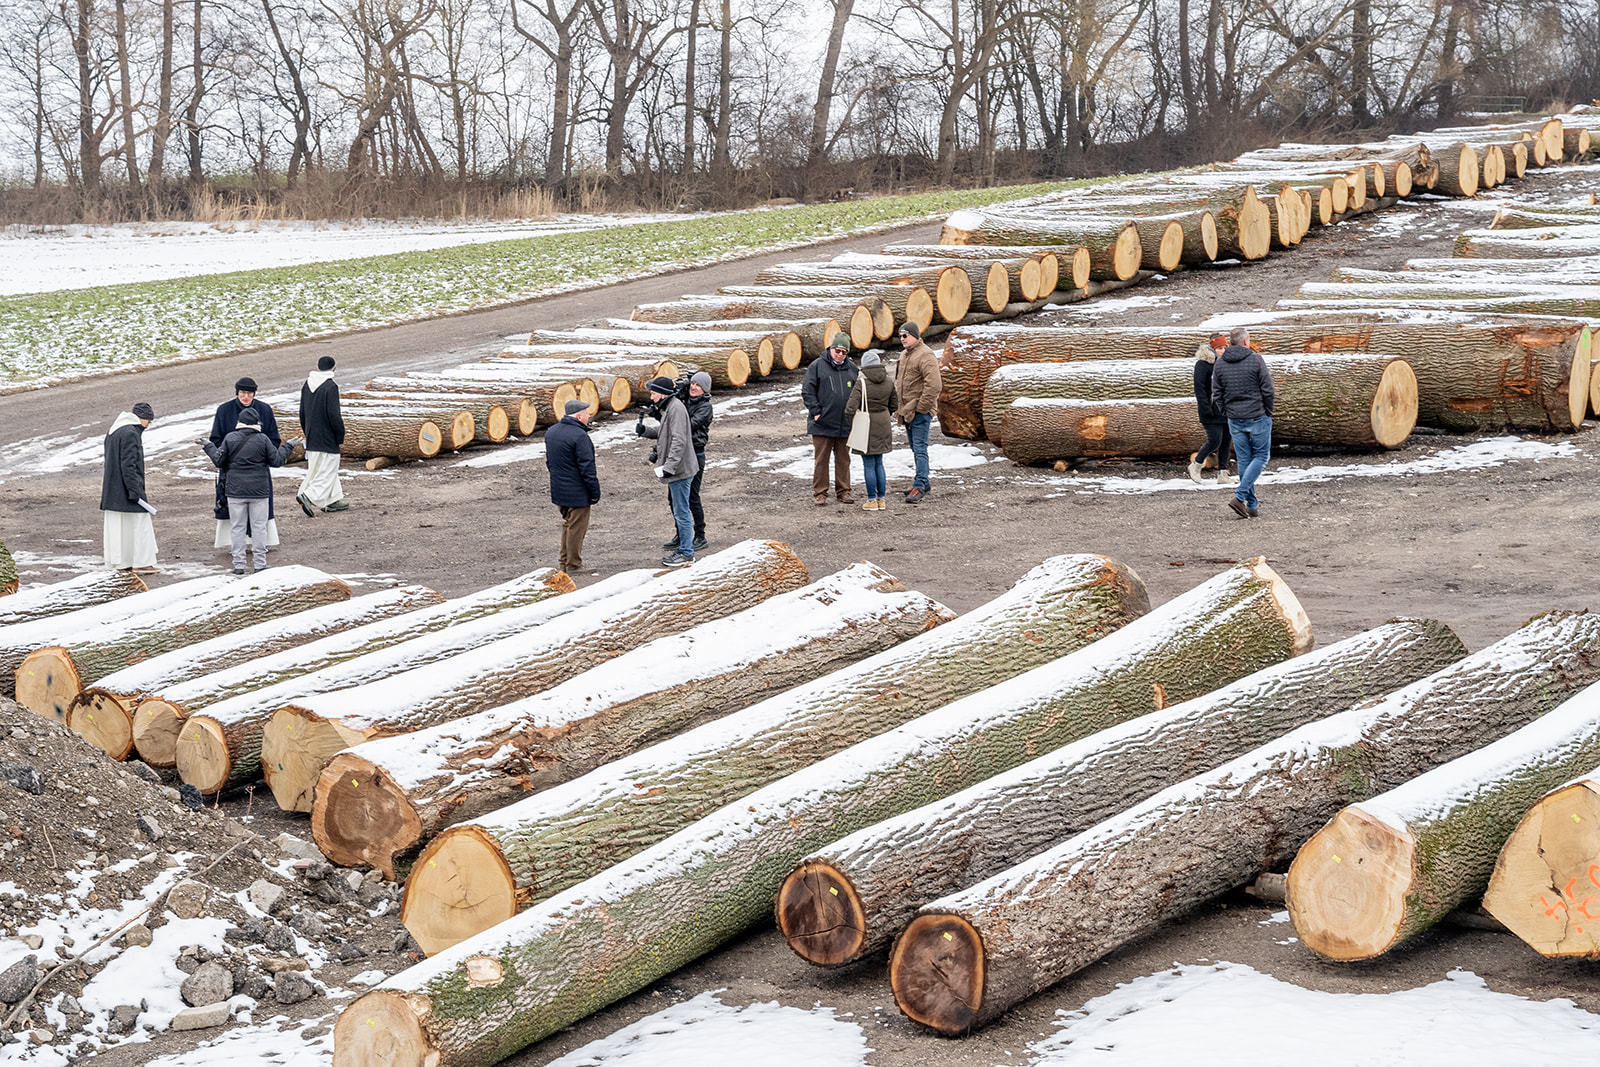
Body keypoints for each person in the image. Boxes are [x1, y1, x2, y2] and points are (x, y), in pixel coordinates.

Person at [202, 408, 299, 574]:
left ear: (240, 422)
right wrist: (288, 446)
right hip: (259, 491)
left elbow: (219, 461)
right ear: (256, 423)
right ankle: (259, 564)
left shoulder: (230, 438)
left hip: (235, 491)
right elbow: (276, 461)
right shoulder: (263, 439)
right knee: (259, 527)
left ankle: (238, 565)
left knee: (237, 527)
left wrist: (208, 446)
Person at [640, 372, 713, 552]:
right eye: (693, 383)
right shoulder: (683, 402)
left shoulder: (704, 407)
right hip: (681, 453)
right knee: (674, 498)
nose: (694, 387)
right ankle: (681, 534)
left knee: (692, 497)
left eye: (699, 385)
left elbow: (684, 428)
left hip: (694, 453)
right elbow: (669, 426)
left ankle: (700, 535)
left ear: (705, 389)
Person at [209, 377, 281, 551]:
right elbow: (216, 439)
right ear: (237, 393)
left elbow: (274, 438)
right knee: (232, 508)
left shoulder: (264, 409)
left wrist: (261, 454)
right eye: (242, 393)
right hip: (231, 469)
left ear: (254, 394)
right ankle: (235, 543)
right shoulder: (224, 410)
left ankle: (261, 542)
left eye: (249, 393)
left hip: (258, 468)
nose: (246, 397)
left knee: (260, 507)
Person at [1210, 326, 1275, 519]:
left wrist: (1227, 412)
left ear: (1230, 343)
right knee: (1262, 457)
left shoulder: (1220, 364)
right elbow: (1268, 390)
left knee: (1245, 460)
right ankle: (1239, 497)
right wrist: (1268, 411)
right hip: (1257, 416)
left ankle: (1252, 505)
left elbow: (1217, 393)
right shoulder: (1256, 360)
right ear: (1246, 342)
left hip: (1235, 419)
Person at [646, 376, 699, 567]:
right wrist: (646, 431)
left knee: (681, 512)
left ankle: (686, 553)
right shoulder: (672, 407)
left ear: (662, 393)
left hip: (680, 470)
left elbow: (679, 440)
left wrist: (669, 467)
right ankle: (685, 548)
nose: (651, 398)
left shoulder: (676, 408)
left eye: (653, 393)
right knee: (680, 510)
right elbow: (666, 433)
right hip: (680, 468)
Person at [545, 399, 601, 575]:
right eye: (586, 413)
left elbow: (549, 462)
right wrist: (594, 491)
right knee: (577, 528)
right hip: (577, 491)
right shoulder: (580, 436)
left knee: (568, 525)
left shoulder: (552, 432)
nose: (589, 416)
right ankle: (574, 564)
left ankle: (564, 561)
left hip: (559, 489)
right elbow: (587, 468)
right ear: (579, 416)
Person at [101, 402, 158, 573]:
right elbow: (129, 466)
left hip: (112, 491)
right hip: (127, 490)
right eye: (149, 421)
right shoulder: (131, 433)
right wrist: (136, 491)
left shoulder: (114, 431)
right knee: (140, 526)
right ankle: (141, 562)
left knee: (119, 529)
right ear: (143, 419)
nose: (148, 425)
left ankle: (122, 561)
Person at [802, 333, 857, 506]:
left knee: (843, 459)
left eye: (843, 351)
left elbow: (857, 392)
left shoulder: (852, 369)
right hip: (822, 423)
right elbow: (807, 391)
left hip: (844, 423)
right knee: (821, 460)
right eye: (837, 350)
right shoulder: (817, 366)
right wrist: (816, 411)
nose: (840, 354)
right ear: (830, 349)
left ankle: (844, 491)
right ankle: (820, 492)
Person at [843, 350, 898, 511]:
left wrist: (851, 424)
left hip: (866, 426)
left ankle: (872, 500)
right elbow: (894, 404)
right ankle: (882, 499)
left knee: (868, 464)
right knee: (879, 463)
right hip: (883, 423)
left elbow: (850, 408)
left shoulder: (862, 383)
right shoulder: (888, 381)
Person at [894, 321, 941, 504]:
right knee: (915, 448)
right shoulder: (905, 355)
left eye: (905, 335)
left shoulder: (926, 355)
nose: (902, 339)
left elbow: (935, 385)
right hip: (907, 411)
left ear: (915, 335)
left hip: (919, 411)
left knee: (920, 448)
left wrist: (921, 408)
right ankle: (924, 481)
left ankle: (920, 484)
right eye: (900, 336)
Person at [297, 356, 347, 516]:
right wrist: (340, 434)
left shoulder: (307, 384)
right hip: (327, 437)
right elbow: (334, 415)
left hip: (312, 435)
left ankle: (332, 500)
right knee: (328, 470)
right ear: (334, 368)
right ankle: (309, 496)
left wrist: (307, 432)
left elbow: (302, 412)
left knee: (318, 468)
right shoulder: (330, 386)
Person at [1188, 333, 1237, 488]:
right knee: (1215, 439)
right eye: (1219, 348)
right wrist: (1205, 407)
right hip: (1210, 409)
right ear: (1212, 347)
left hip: (1226, 408)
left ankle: (1223, 472)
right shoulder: (1203, 364)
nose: (1222, 350)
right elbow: (1200, 389)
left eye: (1224, 347)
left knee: (1226, 441)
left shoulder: (1227, 363)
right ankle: (1196, 464)